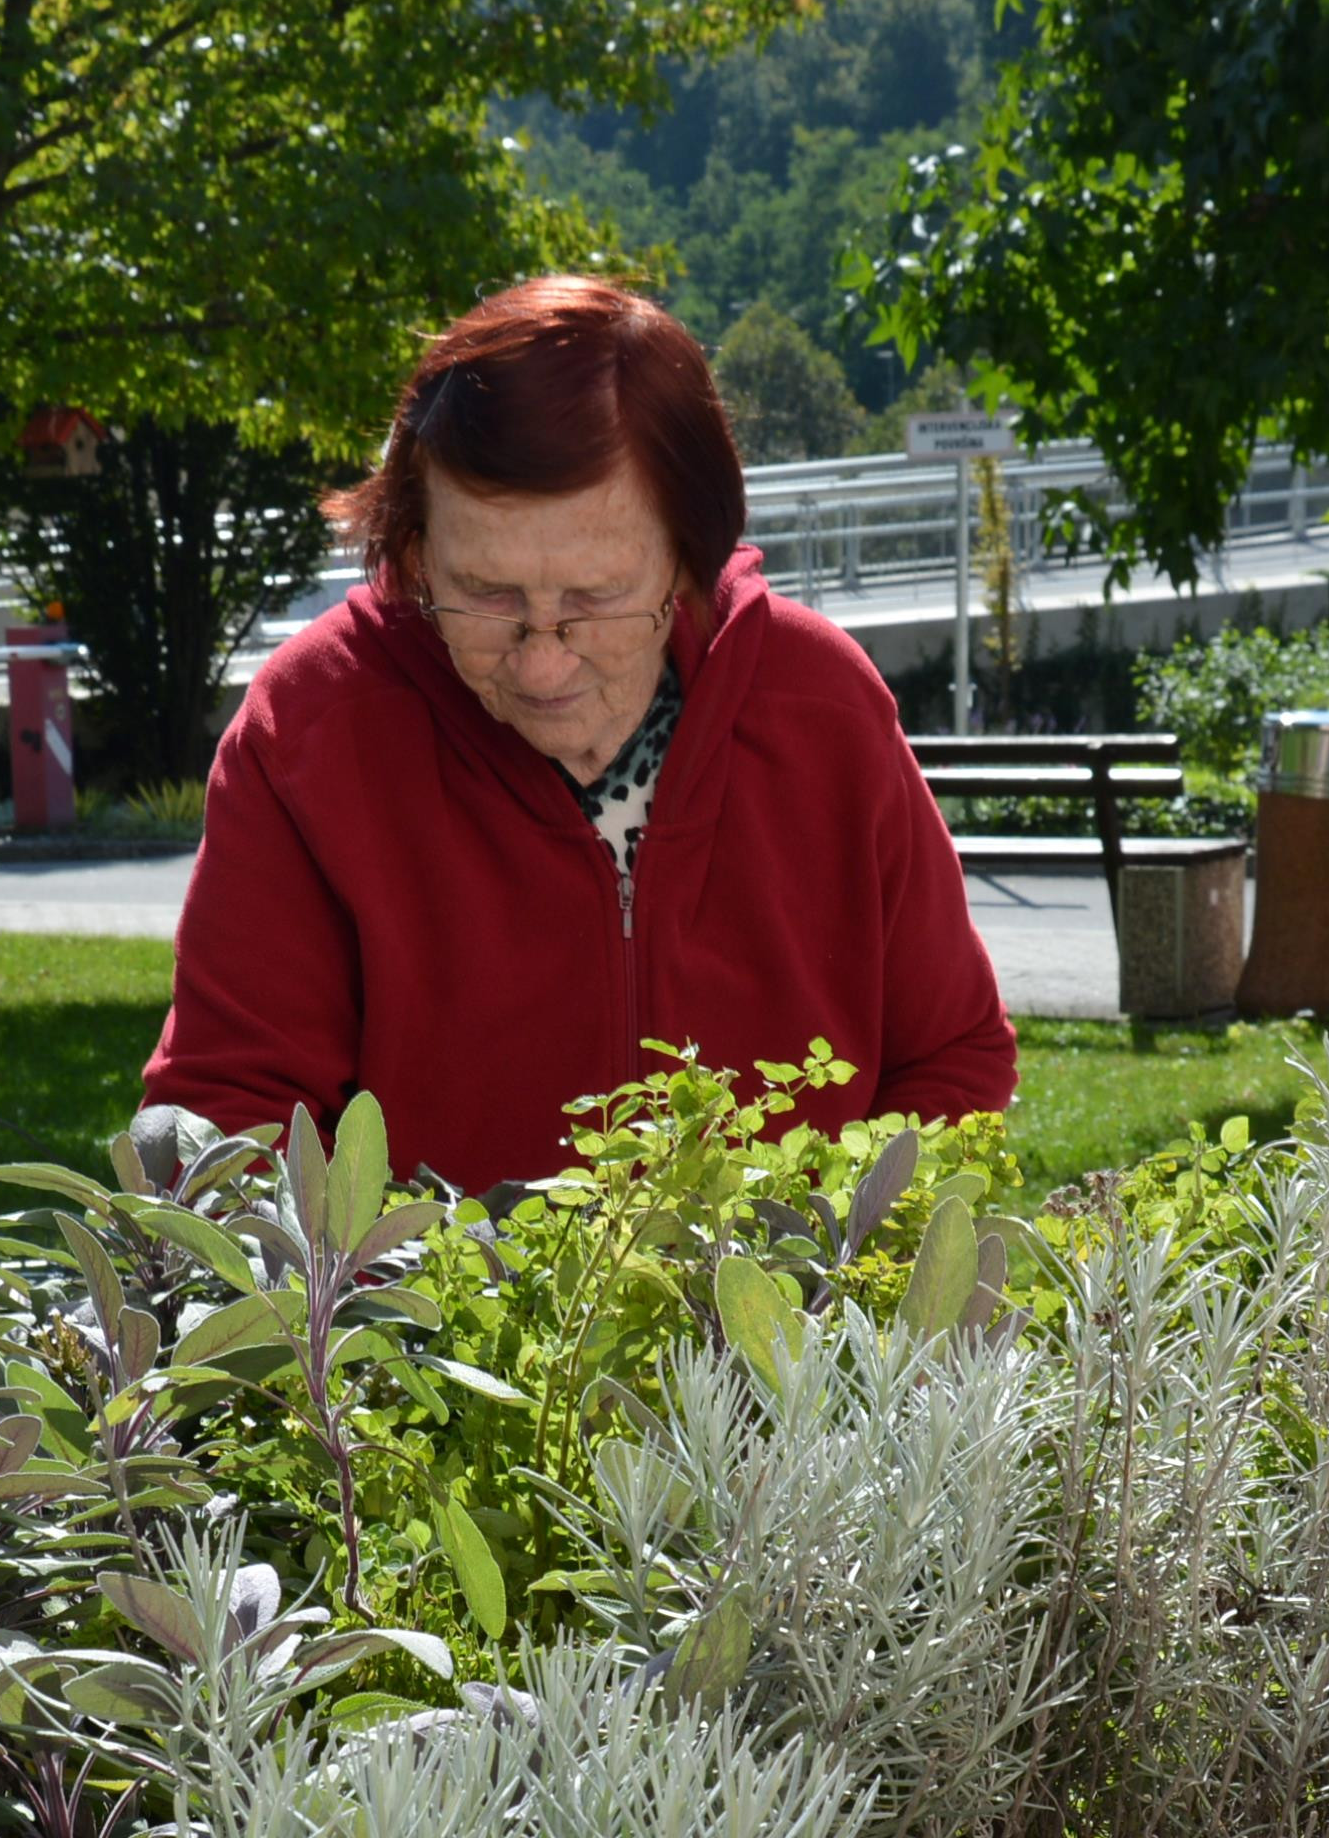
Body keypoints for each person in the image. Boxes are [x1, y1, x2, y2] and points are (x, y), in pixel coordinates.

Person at [141, 277, 1013, 1187]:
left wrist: (819, 1279)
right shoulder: (315, 728)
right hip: (427, 1328)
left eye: (593, 601)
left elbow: (952, 1056)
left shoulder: (817, 708)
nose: (543, 664)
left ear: (686, 558)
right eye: (487, 597)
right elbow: (223, 1122)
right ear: (412, 553)